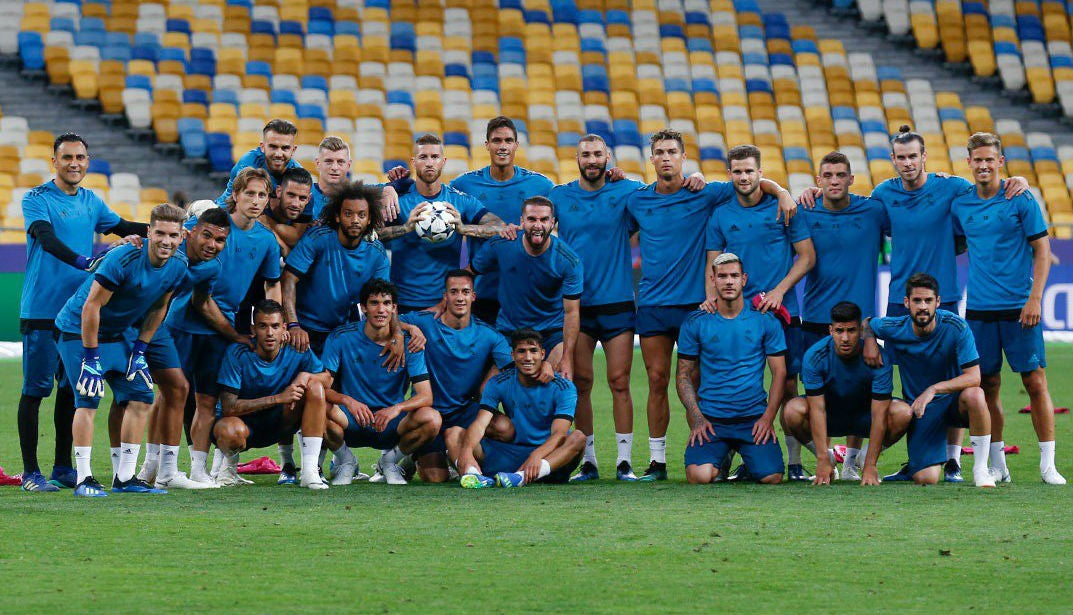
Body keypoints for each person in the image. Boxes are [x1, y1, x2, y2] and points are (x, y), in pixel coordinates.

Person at [799, 125, 1028, 481]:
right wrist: (808, 192)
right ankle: (858, 458)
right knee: (880, 371)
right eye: (900, 157)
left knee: (952, 373)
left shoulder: (951, 187)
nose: (907, 163)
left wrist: (1019, 181)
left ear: (925, 157)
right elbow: (853, 206)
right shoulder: (882, 194)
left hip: (945, 296)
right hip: (898, 300)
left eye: (913, 156)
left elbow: (986, 188)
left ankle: (952, 459)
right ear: (892, 160)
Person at [626, 129, 796, 481]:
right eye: (659, 152)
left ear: (684, 157)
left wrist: (781, 192)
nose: (666, 157)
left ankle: (718, 454)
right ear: (652, 159)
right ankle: (658, 461)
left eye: (672, 151)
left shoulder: (706, 191)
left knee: (700, 380)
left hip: (695, 303)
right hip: (654, 300)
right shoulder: (638, 200)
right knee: (658, 380)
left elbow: (752, 182)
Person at [18, 133, 148, 492]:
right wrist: (84, 261)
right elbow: (44, 236)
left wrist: (169, 230)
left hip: (75, 313)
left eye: (81, 157)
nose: (75, 163)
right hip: (42, 311)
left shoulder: (92, 201)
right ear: (54, 161)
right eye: (67, 157)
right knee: (35, 390)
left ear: (87, 161)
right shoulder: (36, 198)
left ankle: (63, 467)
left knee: (71, 392)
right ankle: (31, 473)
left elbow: (121, 228)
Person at [950, 132, 1066, 485]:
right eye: (977, 160)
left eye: (990, 159)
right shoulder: (961, 205)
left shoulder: (1021, 198)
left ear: (1000, 162)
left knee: (1034, 382)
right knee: (988, 386)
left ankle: (1048, 464)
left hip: (1020, 306)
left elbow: (1043, 251)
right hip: (980, 310)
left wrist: (1035, 300)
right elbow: (955, 243)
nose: (983, 165)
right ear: (968, 163)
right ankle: (998, 463)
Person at [53, 203, 190, 497]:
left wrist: (140, 350)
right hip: (79, 329)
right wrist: (91, 359)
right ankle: (84, 478)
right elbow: (92, 306)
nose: (166, 241)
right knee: (88, 396)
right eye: (160, 233)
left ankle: (125, 478)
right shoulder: (123, 257)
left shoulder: (179, 265)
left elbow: (158, 307)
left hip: (119, 332)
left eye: (173, 235)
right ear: (149, 232)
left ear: (182, 237)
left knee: (142, 396)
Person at [704, 144, 816, 480]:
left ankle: (795, 462)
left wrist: (781, 291)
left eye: (749, 171)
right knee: (736, 382)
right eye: (737, 171)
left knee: (790, 384)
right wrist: (711, 298)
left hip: (783, 312)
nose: (743, 177)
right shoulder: (721, 214)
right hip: (739, 314)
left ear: (760, 172)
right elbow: (712, 262)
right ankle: (730, 453)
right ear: (730, 175)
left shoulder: (785, 208)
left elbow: (807, 257)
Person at [165, 167, 282, 485]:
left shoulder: (266, 240)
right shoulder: (212, 225)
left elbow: (272, 285)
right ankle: (160, 466)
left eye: (262, 195)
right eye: (250, 194)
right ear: (235, 194)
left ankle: (198, 470)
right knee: (172, 396)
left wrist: (278, 321)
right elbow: (175, 244)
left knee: (206, 401)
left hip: (221, 329)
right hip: (183, 322)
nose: (256, 201)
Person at [113, 207, 232, 490]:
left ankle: (160, 469)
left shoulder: (210, 266)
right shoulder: (167, 251)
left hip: (155, 325)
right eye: (206, 236)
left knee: (175, 388)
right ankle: (121, 470)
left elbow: (201, 300)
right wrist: (128, 242)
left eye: (219, 240)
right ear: (189, 233)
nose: (212, 245)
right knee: (127, 395)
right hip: (123, 322)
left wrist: (234, 334)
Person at [549, 135, 645, 481]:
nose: (592, 159)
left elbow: (657, 198)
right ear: (576, 158)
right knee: (582, 383)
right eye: (585, 154)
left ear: (608, 157)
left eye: (598, 154)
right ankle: (588, 460)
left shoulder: (626, 191)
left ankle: (624, 461)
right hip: (577, 305)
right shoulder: (559, 196)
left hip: (618, 301)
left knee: (620, 381)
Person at [795, 152, 890, 478]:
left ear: (851, 179)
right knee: (810, 396)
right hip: (817, 320)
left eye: (840, 175)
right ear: (819, 180)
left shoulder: (874, 210)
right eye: (828, 176)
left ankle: (852, 460)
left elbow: (911, 217)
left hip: (860, 323)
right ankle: (821, 458)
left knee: (861, 391)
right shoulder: (805, 211)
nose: (834, 181)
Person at [863, 273, 995, 487]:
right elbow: (867, 323)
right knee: (926, 478)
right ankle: (914, 465)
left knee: (976, 394)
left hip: (952, 403)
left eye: (928, 300)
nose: (923, 306)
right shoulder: (895, 327)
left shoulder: (956, 327)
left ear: (938, 302)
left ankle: (981, 470)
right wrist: (869, 340)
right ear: (906, 303)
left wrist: (933, 389)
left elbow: (974, 377)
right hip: (921, 410)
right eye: (917, 301)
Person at [676, 253, 787, 485]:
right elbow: (683, 374)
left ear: (744, 279)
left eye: (734, 276)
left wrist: (767, 418)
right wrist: (697, 418)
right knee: (699, 477)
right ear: (713, 279)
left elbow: (780, 373)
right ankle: (723, 456)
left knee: (771, 477)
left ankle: (749, 461)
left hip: (753, 420)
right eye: (723, 276)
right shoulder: (696, 322)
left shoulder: (765, 320)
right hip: (712, 420)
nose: (729, 281)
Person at [399, 270, 519, 483]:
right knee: (436, 479)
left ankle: (459, 451)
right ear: (444, 296)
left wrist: (487, 382)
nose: (460, 297)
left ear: (473, 296)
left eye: (465, 292)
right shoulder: (426, 321)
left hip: (464, 411)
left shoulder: (488, 334)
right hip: (430, 412)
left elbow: (513, 362)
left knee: (504, 428)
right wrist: (410, 328)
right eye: (453, 292)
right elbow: (389, 320)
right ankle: (412, 456)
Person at [321, 279, 441, 485]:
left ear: (394, 308)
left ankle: (390, 461)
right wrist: (349, 401)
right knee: (316, 406)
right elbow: (321, 388)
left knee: (432, 418)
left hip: (390, 423)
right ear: (363, 308)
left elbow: (425, 395)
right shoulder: (341, 337)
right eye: (374, 303)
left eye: (386, 303)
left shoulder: (409, 343)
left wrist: (396, 408)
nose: (381, 309)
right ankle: (345, 460)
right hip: (352, 419)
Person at [781, 302, 912, 485]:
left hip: (864, 418)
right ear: (830, 330)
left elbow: (879, 414)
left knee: (903, 412)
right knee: (792, 410)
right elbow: (817, 410)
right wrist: (821, 459)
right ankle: (829, 459)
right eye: (839, 331)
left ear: (860, 331)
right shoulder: (815, 356)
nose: (845, 338)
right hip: (830, 418)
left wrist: (871, 465)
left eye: (851, 330)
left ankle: (864, 457)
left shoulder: (878, 358)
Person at [379, 133, 509, 312]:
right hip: (403, 302)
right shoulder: (398, 200)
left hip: (446, 303)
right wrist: (405, 228)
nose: (430, 162)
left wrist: (463, 228)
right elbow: (372, 235)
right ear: (413, 161)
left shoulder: (460, 201)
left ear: (443, 161)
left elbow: (500, 227)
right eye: (423, 157)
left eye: (435, 157)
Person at [212, 300, 330, 490]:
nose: (269, 333)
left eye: (275, 326)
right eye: (262, 326)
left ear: (284, 328)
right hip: (245, 428)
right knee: (228, 430)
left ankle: (309, 472)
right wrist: (278, 398)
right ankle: (228, 469)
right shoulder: (238, 353)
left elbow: (327, 379)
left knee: (315, 386)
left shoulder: (296, 347)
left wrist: (306, 375)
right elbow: (229, 407)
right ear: (253, 329)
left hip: (281, 422)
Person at [448, 116, 555, 324]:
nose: (502, 146)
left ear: (516, 145)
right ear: (487, 145)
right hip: (481, 292)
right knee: (483, 356)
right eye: (497, 141)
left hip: (527, 292)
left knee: (527, 356)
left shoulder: (541, 185)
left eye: (508, 141)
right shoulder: (464, 185)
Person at [454, 328, 585, 488]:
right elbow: (481, 423)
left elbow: (559, 434)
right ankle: (473, 474)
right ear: (512, 355)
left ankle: (520, 478)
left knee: (578, 437)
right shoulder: (498, 383)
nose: (528, 357)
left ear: (543, 354)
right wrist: (467, 452)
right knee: (454, 434)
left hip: (550, 457)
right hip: (512, 452)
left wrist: (536, 455)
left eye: (533, 351)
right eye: (521, 351)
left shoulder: (564, 387)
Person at [470, 196, 583, 380]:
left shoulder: (568, 260)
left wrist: (567, 358)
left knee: (559, 380)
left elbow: (572, 313)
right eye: (532, 219)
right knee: (486, 390)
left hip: (551, 334)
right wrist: (448, 300)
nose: (538, 225)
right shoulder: (502, 244)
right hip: (509, 333)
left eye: (544, 220)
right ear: (521, 221)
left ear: (552, 222)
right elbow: (469, 273)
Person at [281, 180, 391, 355]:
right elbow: (288, 280)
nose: (355, 220)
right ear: (338, 216)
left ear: (369, 219)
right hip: (304, 329)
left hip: (343, 331)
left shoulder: (377, 253)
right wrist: (293, 325)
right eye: (348, 214)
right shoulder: (317, 238)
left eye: (361, 215)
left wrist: (396, 332)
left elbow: (384, 299)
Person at [215, 119, 304, 207]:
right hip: (227, 209)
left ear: (293, 150)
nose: (278, 154)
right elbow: (240, 204)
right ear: (262, 147)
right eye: (273, 147)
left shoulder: (299, 174)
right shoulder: (249, 162)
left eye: (285, 148)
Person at [259, 167, 314, 257]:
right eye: (291, 195)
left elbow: (295, 238)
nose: (295, 204)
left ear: (308, 199)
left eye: (302, 198)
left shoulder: (308, 203)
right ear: (279, 191)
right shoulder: (261, 200)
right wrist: (284, 248)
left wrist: (266, 223)